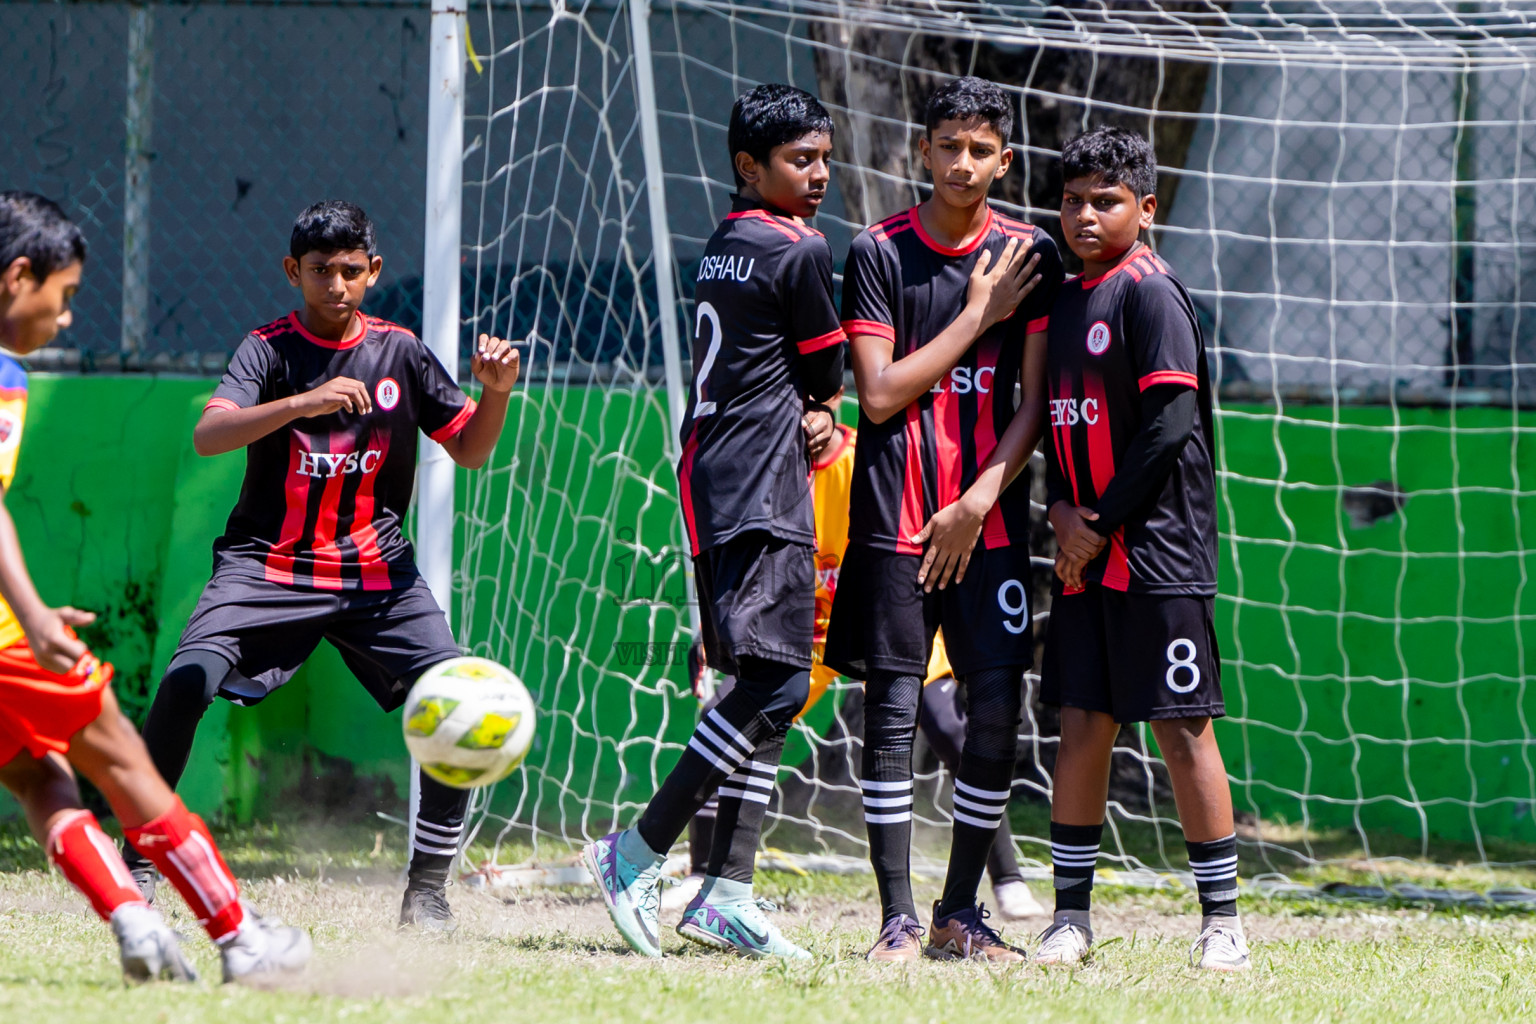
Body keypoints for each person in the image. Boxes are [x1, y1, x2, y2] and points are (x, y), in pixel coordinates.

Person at [122, 200, 520, 934]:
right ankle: (141, 860)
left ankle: (427, 892)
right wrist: (303, 402)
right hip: (266, 567)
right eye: (319, 271)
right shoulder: (268, 350)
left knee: (458, 702)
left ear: (372, 271)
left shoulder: (401, 352)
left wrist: (495, 393)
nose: (335, 285)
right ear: (292, 272)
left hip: (376, 572)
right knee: (184, 683)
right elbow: (211, 436)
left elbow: (469, 449)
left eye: (349, 270)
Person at [0, 191, 311, 983]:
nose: (66, 320)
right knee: (128, 766)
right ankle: (241, 938)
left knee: (41, 775)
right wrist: (30, 615)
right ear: (17, 277)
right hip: (8, 641)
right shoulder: (3, 374)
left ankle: (135, 923)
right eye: (63, 298)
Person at [582, 84, 844, 960]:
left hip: (713, 475)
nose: (818, 175)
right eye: (799, 161)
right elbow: (827, 377)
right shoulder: (801, 251)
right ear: (749, 166)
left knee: (765, 686)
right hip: (758, 485)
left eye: (823, 158)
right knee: (777, 686)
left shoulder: (728, 240)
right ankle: (638, 852)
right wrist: (826, 412)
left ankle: (727, 894)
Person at [826, 76, 1062, 963]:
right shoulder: (879, 251)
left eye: (981, 149)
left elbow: (1033, 404)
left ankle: (959, 912)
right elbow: (880, 395)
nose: (963, 164)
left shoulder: (1030, 253)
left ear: (1006, 159)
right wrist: (974, 315)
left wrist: (977, 500)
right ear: (922, 151)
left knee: (996, 706)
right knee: (890, 708)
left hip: (987, 522)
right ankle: (893, 917)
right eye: (947, 146)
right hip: (893, 524)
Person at [669, 395, 1043, 923]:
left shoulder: (859, 460)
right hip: (800, 634)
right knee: (726, 715)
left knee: (948, 725)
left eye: (815, 404)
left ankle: (1006, 877)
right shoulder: (763, 469)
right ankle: (703, 873)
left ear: (834, 404)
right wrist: (717, 634)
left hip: (882, 616)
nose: (805, 416)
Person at [1033, 126, 1247, 971]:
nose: (1086, 217)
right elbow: (1055, 428)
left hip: (1156, 549)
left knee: (1182, 727)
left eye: (1107, 202)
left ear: (1146, 209)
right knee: (1083, 722)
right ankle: (1070, 918)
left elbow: (1169, 425)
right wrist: (1058, 512)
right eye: (1073, 201)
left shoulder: (1150, 293)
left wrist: (1097, 527)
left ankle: (1222, 920)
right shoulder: (1064, 296)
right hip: (1086, 547)